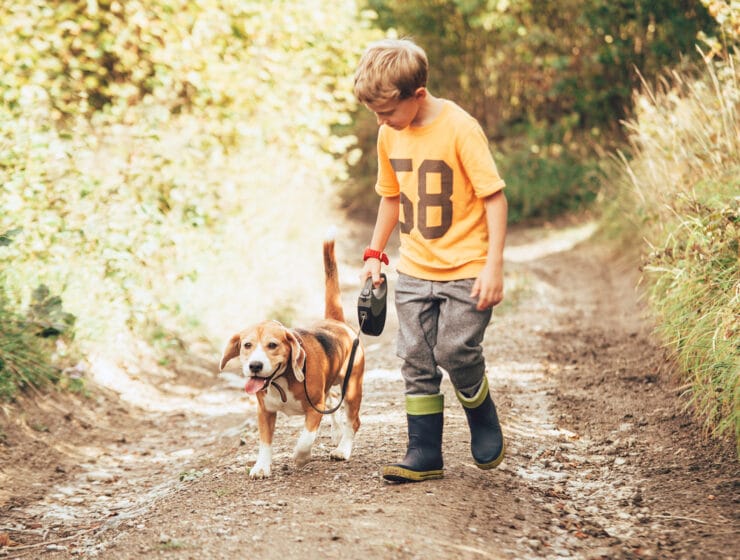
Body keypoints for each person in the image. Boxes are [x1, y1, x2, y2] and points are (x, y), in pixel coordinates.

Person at [354, 38, 508, 483]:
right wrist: (374, 254)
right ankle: (423, 452)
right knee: (416, 357)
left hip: (467, 269)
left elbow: (494, 199)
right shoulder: (389, 133)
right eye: (376, 114)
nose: (381, 121)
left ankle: (480, 409)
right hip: (415, 269)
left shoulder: (460, 128)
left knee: (455, 351)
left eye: (387, 112)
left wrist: (493, 265)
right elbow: (390, 198)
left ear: (417, 95)